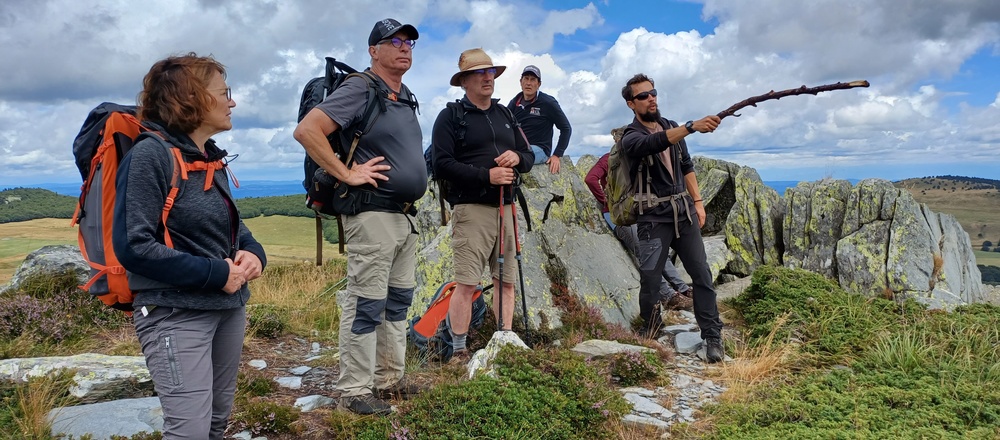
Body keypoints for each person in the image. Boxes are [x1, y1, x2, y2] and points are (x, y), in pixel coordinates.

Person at [113, 53, 266, 439]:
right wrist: (217, 274)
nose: (232, 102)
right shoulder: (150, 156)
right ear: (192, 99)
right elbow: (134, 245)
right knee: (189, 431)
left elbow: (233, 227)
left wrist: (253, 253)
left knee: (215, 423)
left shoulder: (206, 158)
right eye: (224, 92)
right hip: (174, 313)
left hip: (227, 308)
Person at [293, 18, 426, 415]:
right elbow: (308, 130)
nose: (404, 47)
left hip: (403, 217)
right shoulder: (360, 87)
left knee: (398, 301)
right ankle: (354, 391)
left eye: (410, 43)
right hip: (371, 214)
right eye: (395, 41)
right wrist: (348, 173)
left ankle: (388, 379)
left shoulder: (404, 95)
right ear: (373, 50)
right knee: (366, 302)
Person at [432, 48, 534, 362]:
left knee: (505, 282)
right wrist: (485, 176)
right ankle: (459, 350)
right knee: (466, 283)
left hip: (506, 208)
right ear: (464, 81)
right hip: (471, 209)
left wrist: (517, 158)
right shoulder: (451, 116)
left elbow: (528, 157)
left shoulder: (505, 115)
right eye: (479, 73)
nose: (487, 77)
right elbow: (441, 164)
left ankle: (503, 341)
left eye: (490, 72)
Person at [619, 73, 725, 363]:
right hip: (653, 218)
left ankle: (712, 336)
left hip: (684, 213)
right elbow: (652, 144)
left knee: (702, 275)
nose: (651, 98)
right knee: (651, 281)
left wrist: (699, 202)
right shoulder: (631, 136)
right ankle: (651, 332)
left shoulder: (671, 126)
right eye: (643, 96)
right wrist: (691, 127)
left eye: (653, 92)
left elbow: (687, 166)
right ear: (631, 104)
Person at [585, 130, 693, 311]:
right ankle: (669, 295)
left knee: (657, 250)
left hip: (640, 213)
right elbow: (590, 178)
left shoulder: (639, 157)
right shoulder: (609, 159)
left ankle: (682, 288)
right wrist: (607, 201)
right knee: (645, 252)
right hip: (621, 217)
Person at [507, 65, 572, 174]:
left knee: (513, 159)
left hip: (539, 150)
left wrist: (557, 155)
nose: (528, 83)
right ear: (521, 82)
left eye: (533, 80)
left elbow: (566, 128)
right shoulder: (515, 102)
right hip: (517, 148)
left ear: (539, 84)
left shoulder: (548, 103)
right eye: (526, 79)